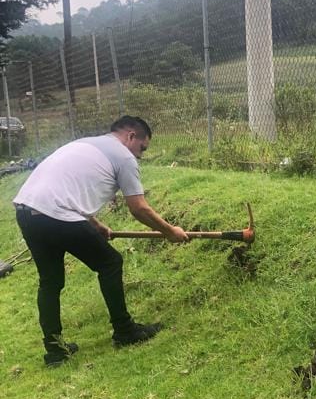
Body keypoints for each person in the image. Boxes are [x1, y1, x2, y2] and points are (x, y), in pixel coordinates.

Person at [13, 115, 188, 367]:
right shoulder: (123, 156)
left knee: (50, 282)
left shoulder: (85, 144)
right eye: (142, 148)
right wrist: (170, 231)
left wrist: (94, 224)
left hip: (27, 210)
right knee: (110, 262)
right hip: (57, 214)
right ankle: (125, 331)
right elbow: (138, 208)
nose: (140, 155)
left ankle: (55, 351)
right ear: (130, 136)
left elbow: (67, 187)